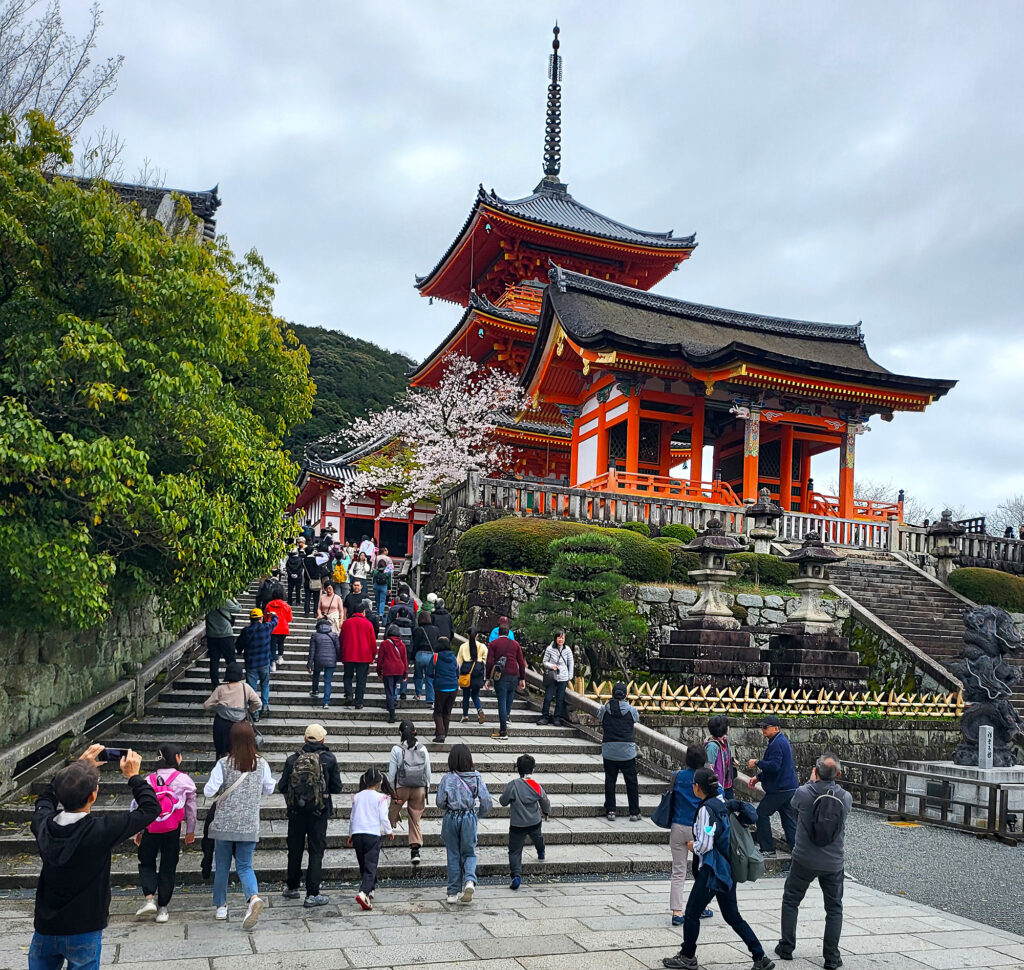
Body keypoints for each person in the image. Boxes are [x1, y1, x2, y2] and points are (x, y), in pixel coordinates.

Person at [29, 745, 158, 970]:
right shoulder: (100, 830)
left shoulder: (42, 826)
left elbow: (44, 801)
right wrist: (134, 777)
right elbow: (150, 809)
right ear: (93, 795)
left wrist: (76, 769)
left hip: (46, 925)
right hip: (84, 925)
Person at [661, 768, 774, 970]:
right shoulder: (722, 802)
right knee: (732, 916)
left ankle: (688, 956)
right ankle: (760, 956)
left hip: (712, 870)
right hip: (727, 868)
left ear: (697, 787)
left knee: (693, 913)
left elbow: (705, 843)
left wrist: (691, 846)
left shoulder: (706, 810)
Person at [775, 753, 852, 970]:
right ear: (838, 774)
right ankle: (831, 957)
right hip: (834, 862)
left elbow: (794, 807)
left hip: (804, 859)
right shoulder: (845, 797)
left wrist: (811, 782)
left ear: (815, 771)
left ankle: (787, 947)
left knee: (791, 900)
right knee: (834, 908)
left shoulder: (803, 792)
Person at [204, 720, 276, 928]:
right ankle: (253, 898)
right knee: (245, 865)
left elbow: (209, 791)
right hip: (248, 824)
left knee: (223, 866)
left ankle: (221, 906)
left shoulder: (223, 763)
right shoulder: (262, 764)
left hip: (224, 824)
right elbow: (270, 788)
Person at [277, 723, 343, 909]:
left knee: (295, 849)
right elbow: (337, 787)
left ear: (305, 739)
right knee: (316, 851)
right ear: (323, 739)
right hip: (319, 813)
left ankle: (292, 887)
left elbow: (282, 786)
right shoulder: (329, 759)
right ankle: (312, 893)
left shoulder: (292, 760)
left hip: (296, 812)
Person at [133, 743, 197, 923]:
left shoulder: (148, 780)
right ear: (177, 758)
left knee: (146, 862)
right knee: (168, 866)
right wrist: (190, 830)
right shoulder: (184, 780)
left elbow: (137, 806)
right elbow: (191, 808)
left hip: (150, 828)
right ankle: (163, 908)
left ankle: (149, 899)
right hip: (172, 829)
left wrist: (138, 830)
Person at [436, 744, 493, 904]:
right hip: (469, 817)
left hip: (451, 818)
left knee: (453, 854)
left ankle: (452, 893)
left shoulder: (447, 778)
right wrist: (477, 814)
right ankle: (469, 880)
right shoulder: (476, 777)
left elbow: (440, 802)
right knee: (469, 852)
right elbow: (487, 801)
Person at [669, 744, 714, 925]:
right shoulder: (706, 778)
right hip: (699, 827)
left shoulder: (677, 776)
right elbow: (718, 796)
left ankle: (677, 911)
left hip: (678, 825)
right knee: (702, 868)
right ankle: (700, 906)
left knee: (678, 870)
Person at [746, 714, 798, 856]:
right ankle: (797, 853)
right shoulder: (781, 741)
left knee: (761, 814)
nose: (763, 730)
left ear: (775, 728)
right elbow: (778, 767)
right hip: (788, 787)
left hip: (779, 789)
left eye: (765, 727)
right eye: (762, 727)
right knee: (789, 821)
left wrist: (757, 762)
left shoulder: (776, 744)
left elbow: (774, 766)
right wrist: (758, 777)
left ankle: (768, 849)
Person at [500, 753, 549, 890]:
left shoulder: (513, 785)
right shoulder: (536, 785)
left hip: (517, 824)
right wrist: (546, 811)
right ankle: (541, 851)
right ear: (533, 769)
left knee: (515, 851)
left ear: (518, 769)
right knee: (538, 836)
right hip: (534, 821)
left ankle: (516, 875)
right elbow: (544, 800)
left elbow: (503, 801)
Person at [386, 720, 432, 869]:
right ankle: (415, 850)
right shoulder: (423, 749)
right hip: (419, 788)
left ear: (400, 733)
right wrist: (427, 789)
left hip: (401, 788)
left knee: (392, 810)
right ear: (415, 731)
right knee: (414, 818)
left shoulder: (396, 749)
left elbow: (392, 774)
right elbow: (428, 772)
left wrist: (392, 792)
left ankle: (389, 827)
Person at [349, 767, 394, 910]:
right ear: (379, 782)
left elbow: (352, 818)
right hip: (372, 835)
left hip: (357, 833)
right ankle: (364, 892)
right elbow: (383, 817)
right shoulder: (381, 798)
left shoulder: (357, 796)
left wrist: (350, 834)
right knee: (371, 866)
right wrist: (389, 831)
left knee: (363, 863)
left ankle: (370, 888)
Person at [596, 682, 641, 821]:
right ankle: (634, 812)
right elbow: (637, 719)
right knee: (631, 781)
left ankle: (610, 810)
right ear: (625, 695)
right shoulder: (631, 710)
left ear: (612, 694)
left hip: (609, 750)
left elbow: (599, 717)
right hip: (627, 752)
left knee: (610, 780)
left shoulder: (605, 709)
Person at [203, 662, 261, 757]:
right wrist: (249, 710)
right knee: (239, 751)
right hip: (240, 724)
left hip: (222, 724)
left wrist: (218, 708)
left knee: (221, 752)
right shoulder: (245, 687)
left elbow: (206, 705)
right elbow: (258, 703)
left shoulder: (220, 689)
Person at [485, 623, 526, 741]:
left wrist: (488, 678)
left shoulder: (493, 644)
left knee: (501, 701)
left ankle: (503, 731)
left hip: (501, 675)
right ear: (508, 633)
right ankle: (506, 718)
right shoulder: (515, 644)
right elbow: (521, 663)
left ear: (498, 633)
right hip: (514, 674)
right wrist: (522, 678)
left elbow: (489, 662)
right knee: (509, 699)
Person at [236, 608, 277, 718]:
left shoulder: (246, 631)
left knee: (252, 688)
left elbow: (238, 645)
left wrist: (239, 651)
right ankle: (265, 705)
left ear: (251, 619)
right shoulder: (266, 628)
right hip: (264, 662)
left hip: (251, 664)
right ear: (261, 618)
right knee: (265, 684)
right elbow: (275, 622)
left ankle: (255, 713)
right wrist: (273, 615)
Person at [340, 602, 377, 709]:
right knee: (361, 679)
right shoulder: (368, 624)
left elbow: (341, 639)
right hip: (364, 656)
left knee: (347, 676)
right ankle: (359, 702)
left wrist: (341, 654)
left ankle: (349, 695)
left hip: (349, 654)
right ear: (363, 612)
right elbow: (372, 642)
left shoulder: (347, 623)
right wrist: (373, 655)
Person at [538, 631, 574, 726]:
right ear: (555, 638)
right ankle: (544, 717)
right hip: (552, 675)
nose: (561, 639)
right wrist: (551, 666)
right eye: (559, 638)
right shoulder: (550, 649)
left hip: (563, 676)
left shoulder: (567, 649)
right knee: (548, 697)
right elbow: (544, 662)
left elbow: (571, 663)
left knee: (560, 698)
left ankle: (557, 718)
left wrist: (570, 676)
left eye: (562, 638)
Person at [429, 637, 460, 743]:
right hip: (453, 687)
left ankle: (440, 733)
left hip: (441, 687)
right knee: (447, 712)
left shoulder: (436, 656)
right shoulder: (454, 657)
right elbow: (457, 673)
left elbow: (429, 671)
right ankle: (444, 732)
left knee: (438, 712)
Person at [205, 597, 241, 688]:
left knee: (214, 661)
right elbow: (238, 609)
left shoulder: (206, 600)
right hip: (226, 635)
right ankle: (233, 682)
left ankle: (215, 684)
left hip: (212, 635)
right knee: (231, 660)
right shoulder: (223, 600)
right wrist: (234, 599)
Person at [377, 624, 409, 724]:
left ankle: (392, 713)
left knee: (389, 691)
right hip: (399, 669)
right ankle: (391, 705)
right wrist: (405, 674)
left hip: (388, 670)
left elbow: (380, 660)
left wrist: (379, 672)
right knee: (393, 687)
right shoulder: (402, 645)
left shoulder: (384, 644)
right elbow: (405, 660)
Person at [308, 616, 340, 708]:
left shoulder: (315, 635)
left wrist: (309, 664)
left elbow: (312, 651)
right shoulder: (334, 635)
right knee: (328, 681)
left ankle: (315, 689)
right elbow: (338, 649)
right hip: (331, 661)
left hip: (318, 660)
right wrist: (337, 659)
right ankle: (326, 702)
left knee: (316, 674)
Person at [457, 627, 487, 724]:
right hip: (477, 671)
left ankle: (465, 715)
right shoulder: (482, 646)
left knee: (466, 695)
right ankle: (479, 710)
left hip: (466, 670)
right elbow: (485, 660)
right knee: (475, 694)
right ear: (477, 636)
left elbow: (458, 662)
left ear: (467, 635)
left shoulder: (463, 646)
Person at [412, 609, 440, 704]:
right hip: (431, 656)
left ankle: (418, 694)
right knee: (430, 677)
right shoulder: (436, 630)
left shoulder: (417, 630)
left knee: (418, 676)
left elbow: (414, 645)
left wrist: (412, 658)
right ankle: (430, 699)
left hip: (420, 655)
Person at [706, 714, 735, 800]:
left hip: (727, 784)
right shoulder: (712, 746)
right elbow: (709, 767)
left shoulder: (725, 742)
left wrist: (732, 761)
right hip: (717, 787)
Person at [264, 592, 292, 673]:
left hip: (272, 628)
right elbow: (289, 619)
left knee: (272, 645)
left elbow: (266, 617)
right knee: (281, 643)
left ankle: (273, 663)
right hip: (283, 628)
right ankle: (280, 656)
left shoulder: (269, 605)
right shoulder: (286, 606)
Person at [302, 547, 322, 616]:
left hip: (307, 580)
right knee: (316, 598)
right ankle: (315, 612)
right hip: (316, 581)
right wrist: (320, 553)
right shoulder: (316, 559)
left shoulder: (304, 560)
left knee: (307, 597)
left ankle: (307, 612)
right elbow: (326, 558)